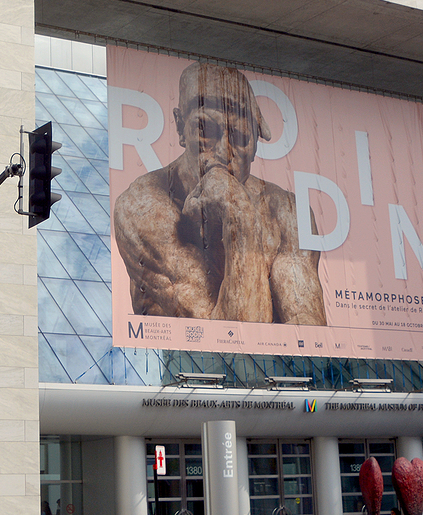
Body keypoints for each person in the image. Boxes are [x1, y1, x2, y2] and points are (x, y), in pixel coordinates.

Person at [114, 61, 329, 325]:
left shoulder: (286, 211)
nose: (224, 152)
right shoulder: (143, 206)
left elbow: (309, 340)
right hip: (187, 364)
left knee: (287, 271)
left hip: (269, 365)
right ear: (180, 127)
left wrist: (239, 214)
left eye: (239, 136)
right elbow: (233, 337)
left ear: (255, 144)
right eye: (206, 131)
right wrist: (241, 219)